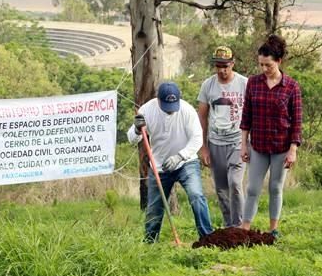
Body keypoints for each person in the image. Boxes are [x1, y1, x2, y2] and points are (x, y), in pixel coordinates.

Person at [128, 81, 213, 243]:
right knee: (154, 208)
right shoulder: (146, 110)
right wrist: (137, 129)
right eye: (166, 106)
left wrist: (180, 156)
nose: (170, 111)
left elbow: (197, 139)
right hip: (159, 166)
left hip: (186, 163)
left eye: (173, 106)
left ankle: (207, 238)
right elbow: (132, 138)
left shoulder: (187, 110)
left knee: (196, 195)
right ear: (158, 100)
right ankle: (150, 244)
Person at [240, 34, 302, 238]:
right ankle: (244, 229)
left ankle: (273, 229)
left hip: (281, 147)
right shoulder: (253, 83)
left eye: (268, 65)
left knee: (275, 188)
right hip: (258, 145)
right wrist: (243, 144)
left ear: (279, 61)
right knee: (252, 188)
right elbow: (246, 116)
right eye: (261, 64)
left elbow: (297, 122)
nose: (264, 69)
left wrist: (293, 150)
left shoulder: (291, 87)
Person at [198, 46, 248, 228]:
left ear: (232, 64)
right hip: (216, 142)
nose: (222, 70)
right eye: (218, 66)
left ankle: (239, 225)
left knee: (235, 183)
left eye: (225, 66)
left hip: (237, 141)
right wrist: (203, 147)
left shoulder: (244, 84)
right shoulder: (208, 85)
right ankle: (229, 226)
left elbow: (253, 112)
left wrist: (249, 141)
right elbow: (202, 116)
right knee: (221, 189)